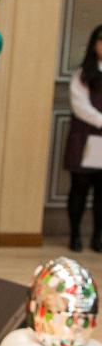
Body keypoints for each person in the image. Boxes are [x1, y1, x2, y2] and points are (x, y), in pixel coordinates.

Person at [63, 23, 102, 252]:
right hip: (85, 137)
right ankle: (75, 234)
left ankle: (98, 236)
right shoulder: (82, 73)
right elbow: (80, 106)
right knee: (79, 188)